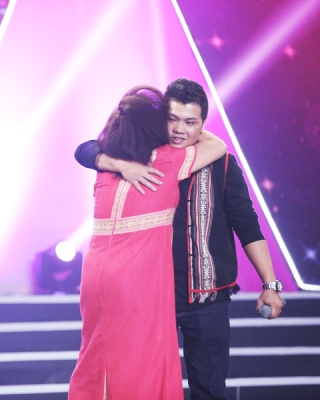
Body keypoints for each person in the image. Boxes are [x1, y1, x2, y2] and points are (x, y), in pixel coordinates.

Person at [74, 77, 284, 399]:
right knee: (143, 383)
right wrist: (118, 164)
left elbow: (247, 225)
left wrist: (270, 284)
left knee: (208, 390)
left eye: (190, 122)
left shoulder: (221, 165)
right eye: (172, 119)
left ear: (203, 124)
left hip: (206, 297)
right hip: (152, 297)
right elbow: (85, 148)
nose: (179, 129)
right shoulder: (139, 158)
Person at [68, 84, 226, 399]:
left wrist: (121, 158)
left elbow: (84, 149)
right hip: (136, 277)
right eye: (170, 120)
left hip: (94, 275)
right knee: (140, 359)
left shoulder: (106, 164)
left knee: (97, 355)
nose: (177, 128)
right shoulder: (167, 161)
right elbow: (218, 145)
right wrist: (188, 126)